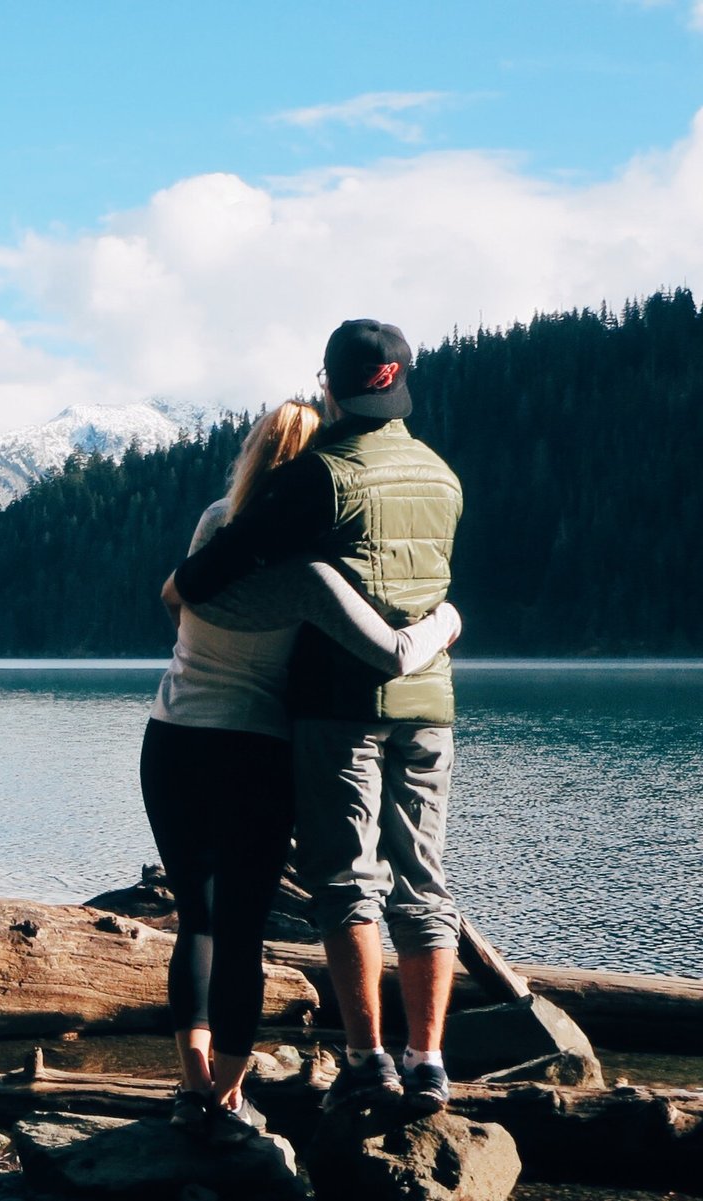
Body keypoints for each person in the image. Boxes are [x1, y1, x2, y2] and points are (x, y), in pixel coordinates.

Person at [163, 319, 464, 1116]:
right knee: (423, 880)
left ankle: (367, 1060)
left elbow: (202, 577)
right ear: (395, 384)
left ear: (331, 383)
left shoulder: (317, 481)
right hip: (429, 704)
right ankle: (429, 1059)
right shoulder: (442, 476)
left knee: (344, 882)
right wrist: (448, 623)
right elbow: (416, 616)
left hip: (337, 709)